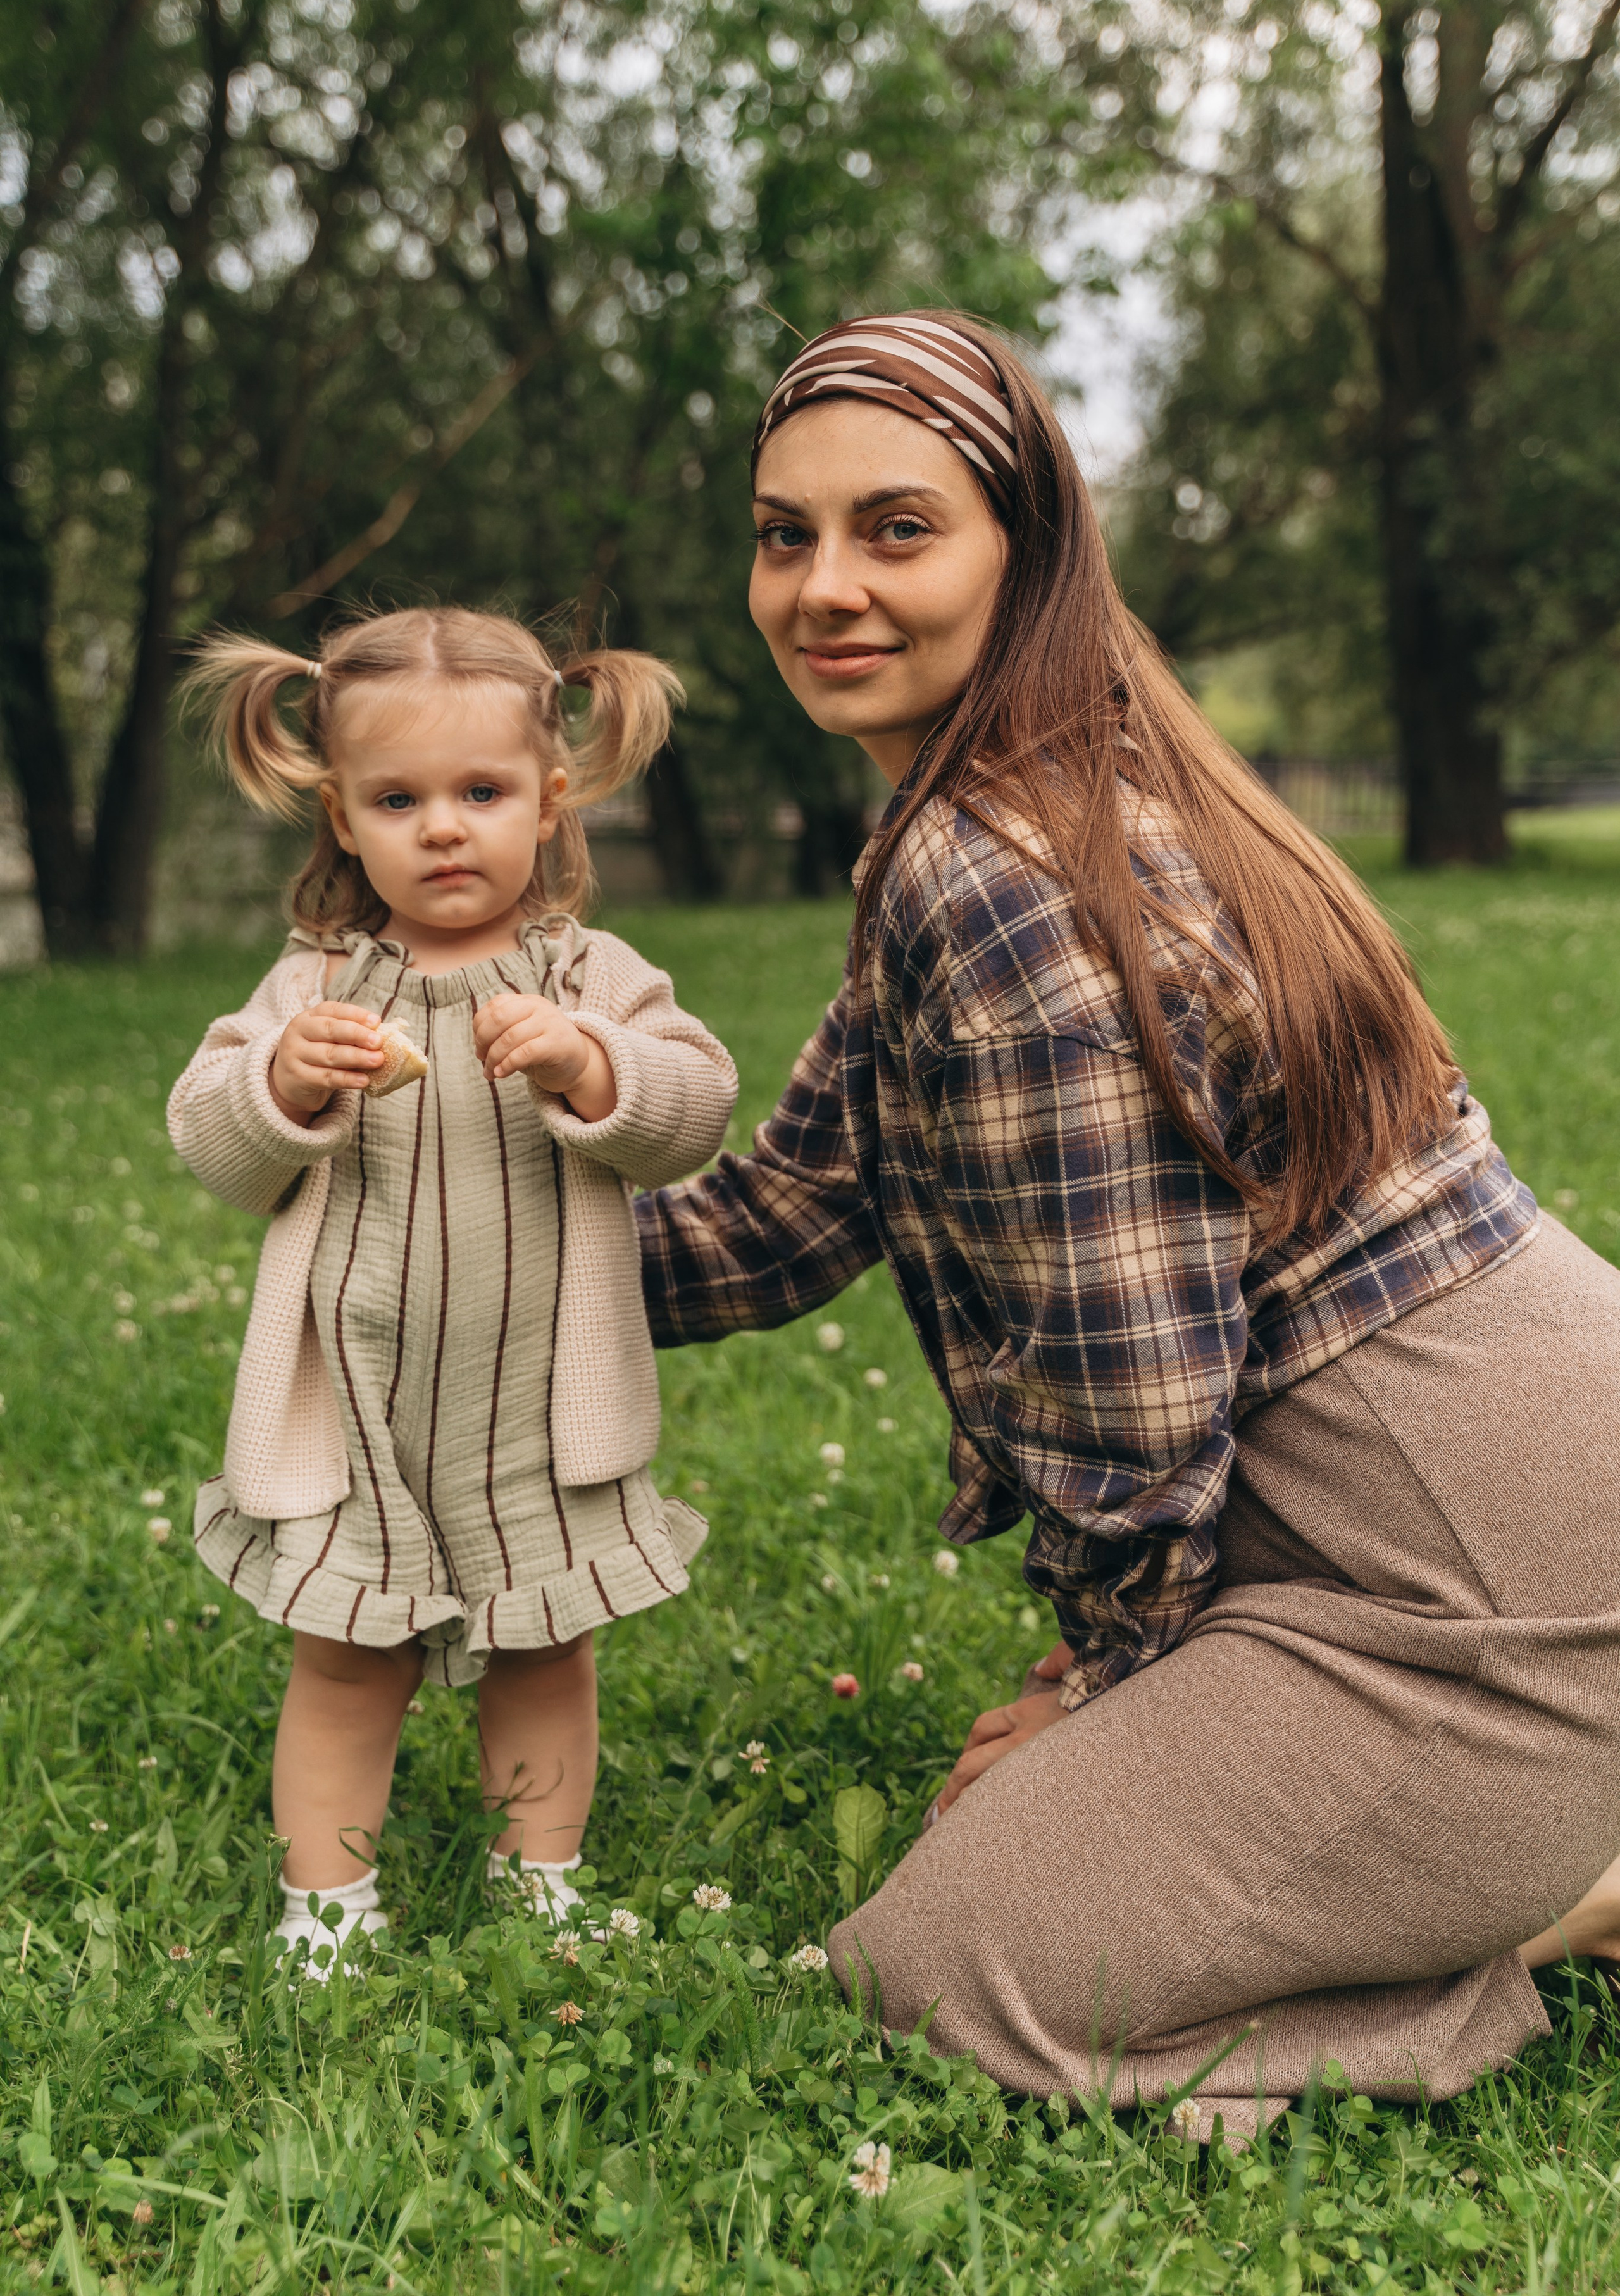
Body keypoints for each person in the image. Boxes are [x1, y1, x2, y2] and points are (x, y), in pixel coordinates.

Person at [637, 311, 1620, 2140]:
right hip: (1485, 1532)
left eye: (896, 528)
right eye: (786, 532)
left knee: (936, 1979)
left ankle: (1533, 1912)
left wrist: (1102, 1675)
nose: (824, 586)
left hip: (1496, 1600)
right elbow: (782, 1215)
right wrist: (433, 1242)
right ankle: (1496, 1855)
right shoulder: (1037, 786)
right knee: (1003, 1885)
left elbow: (1138, 1394)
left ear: (1025, 546)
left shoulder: (994, 870)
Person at [171, 608, 736, 1973]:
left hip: (537, 1400)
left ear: (549, 801)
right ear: (342, 814)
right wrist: (283, 1080)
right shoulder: (313, 985)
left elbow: (694, 1109)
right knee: (345, 1658)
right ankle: (326, 1907)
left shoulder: (589, 976)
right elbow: (210, 1137)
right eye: (398, 797)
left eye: (479, 792)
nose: (441, 827)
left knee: (544, 1649)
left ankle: (538, 1881)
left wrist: (592, 1062)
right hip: (353, 1399)